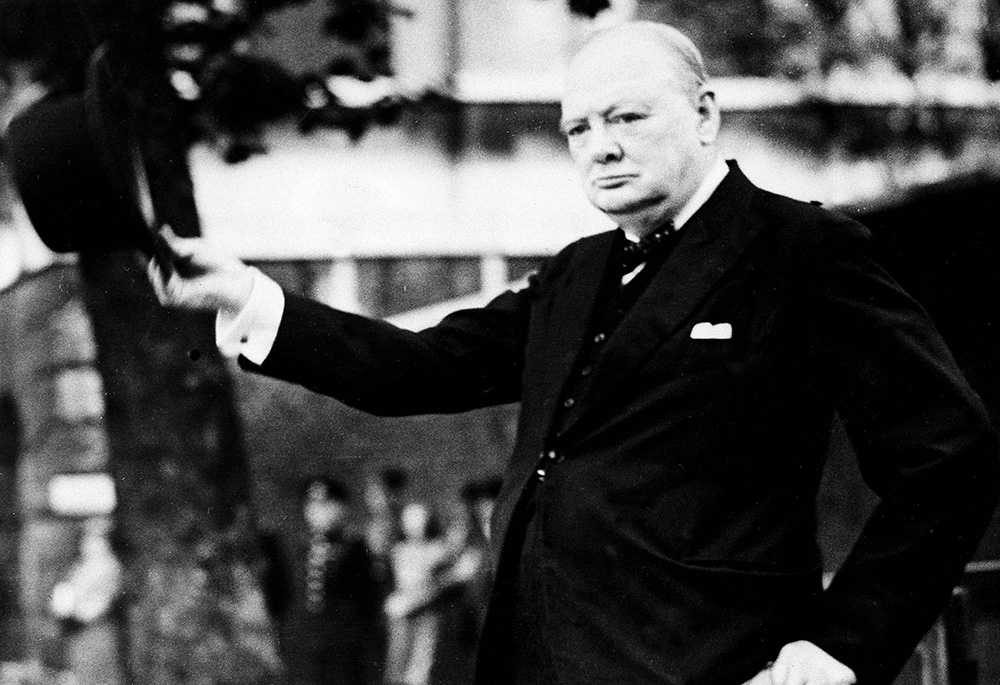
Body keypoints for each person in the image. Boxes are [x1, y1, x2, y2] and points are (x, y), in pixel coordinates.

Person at [148, 20, 999, 685]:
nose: (601, 145)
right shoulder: (575, 274)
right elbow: (415, 367)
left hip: (710, 666)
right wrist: (248, 296)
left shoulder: (802, 249)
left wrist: (841, 642)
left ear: (704, 114)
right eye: (578, 128)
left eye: (627, 117)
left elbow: (949, 459)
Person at [261, 476, 383, 685]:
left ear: (341, 508)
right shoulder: (291, 546)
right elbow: (278, 594)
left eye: (327, 504)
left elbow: (368, 599)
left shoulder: (354, 547)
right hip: (301, 640)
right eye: (313, 504)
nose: (319, 511)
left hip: (343, 642)